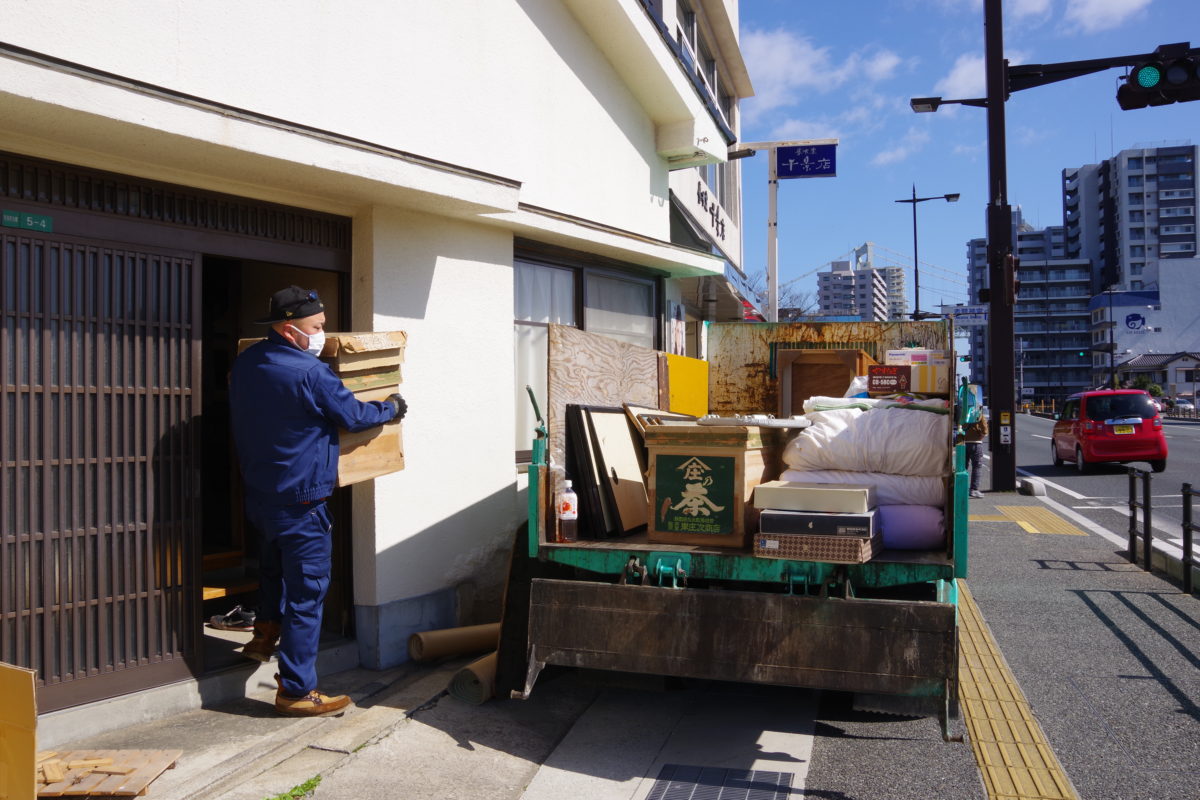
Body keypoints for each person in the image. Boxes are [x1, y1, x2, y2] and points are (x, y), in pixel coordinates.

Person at [229, 286, 406, 717]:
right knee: (308, 593)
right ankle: (296, 690)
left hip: (260, 493)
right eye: (317, 327)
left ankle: (262, 636)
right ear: (291, 331)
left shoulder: (247, 363)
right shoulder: (309, 373)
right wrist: (391, 408)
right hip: (303, 499)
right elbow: (352, 415)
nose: (323, 337)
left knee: (272, 569)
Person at [961, 410, 989, 498]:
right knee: (977, 466)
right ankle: (974, 489)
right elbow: (984, 428)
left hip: (963, 442)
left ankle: (961, 488)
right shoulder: (978, 413)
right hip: (976, 443)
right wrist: (982, 434)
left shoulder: (962, 412)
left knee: (963, 467)